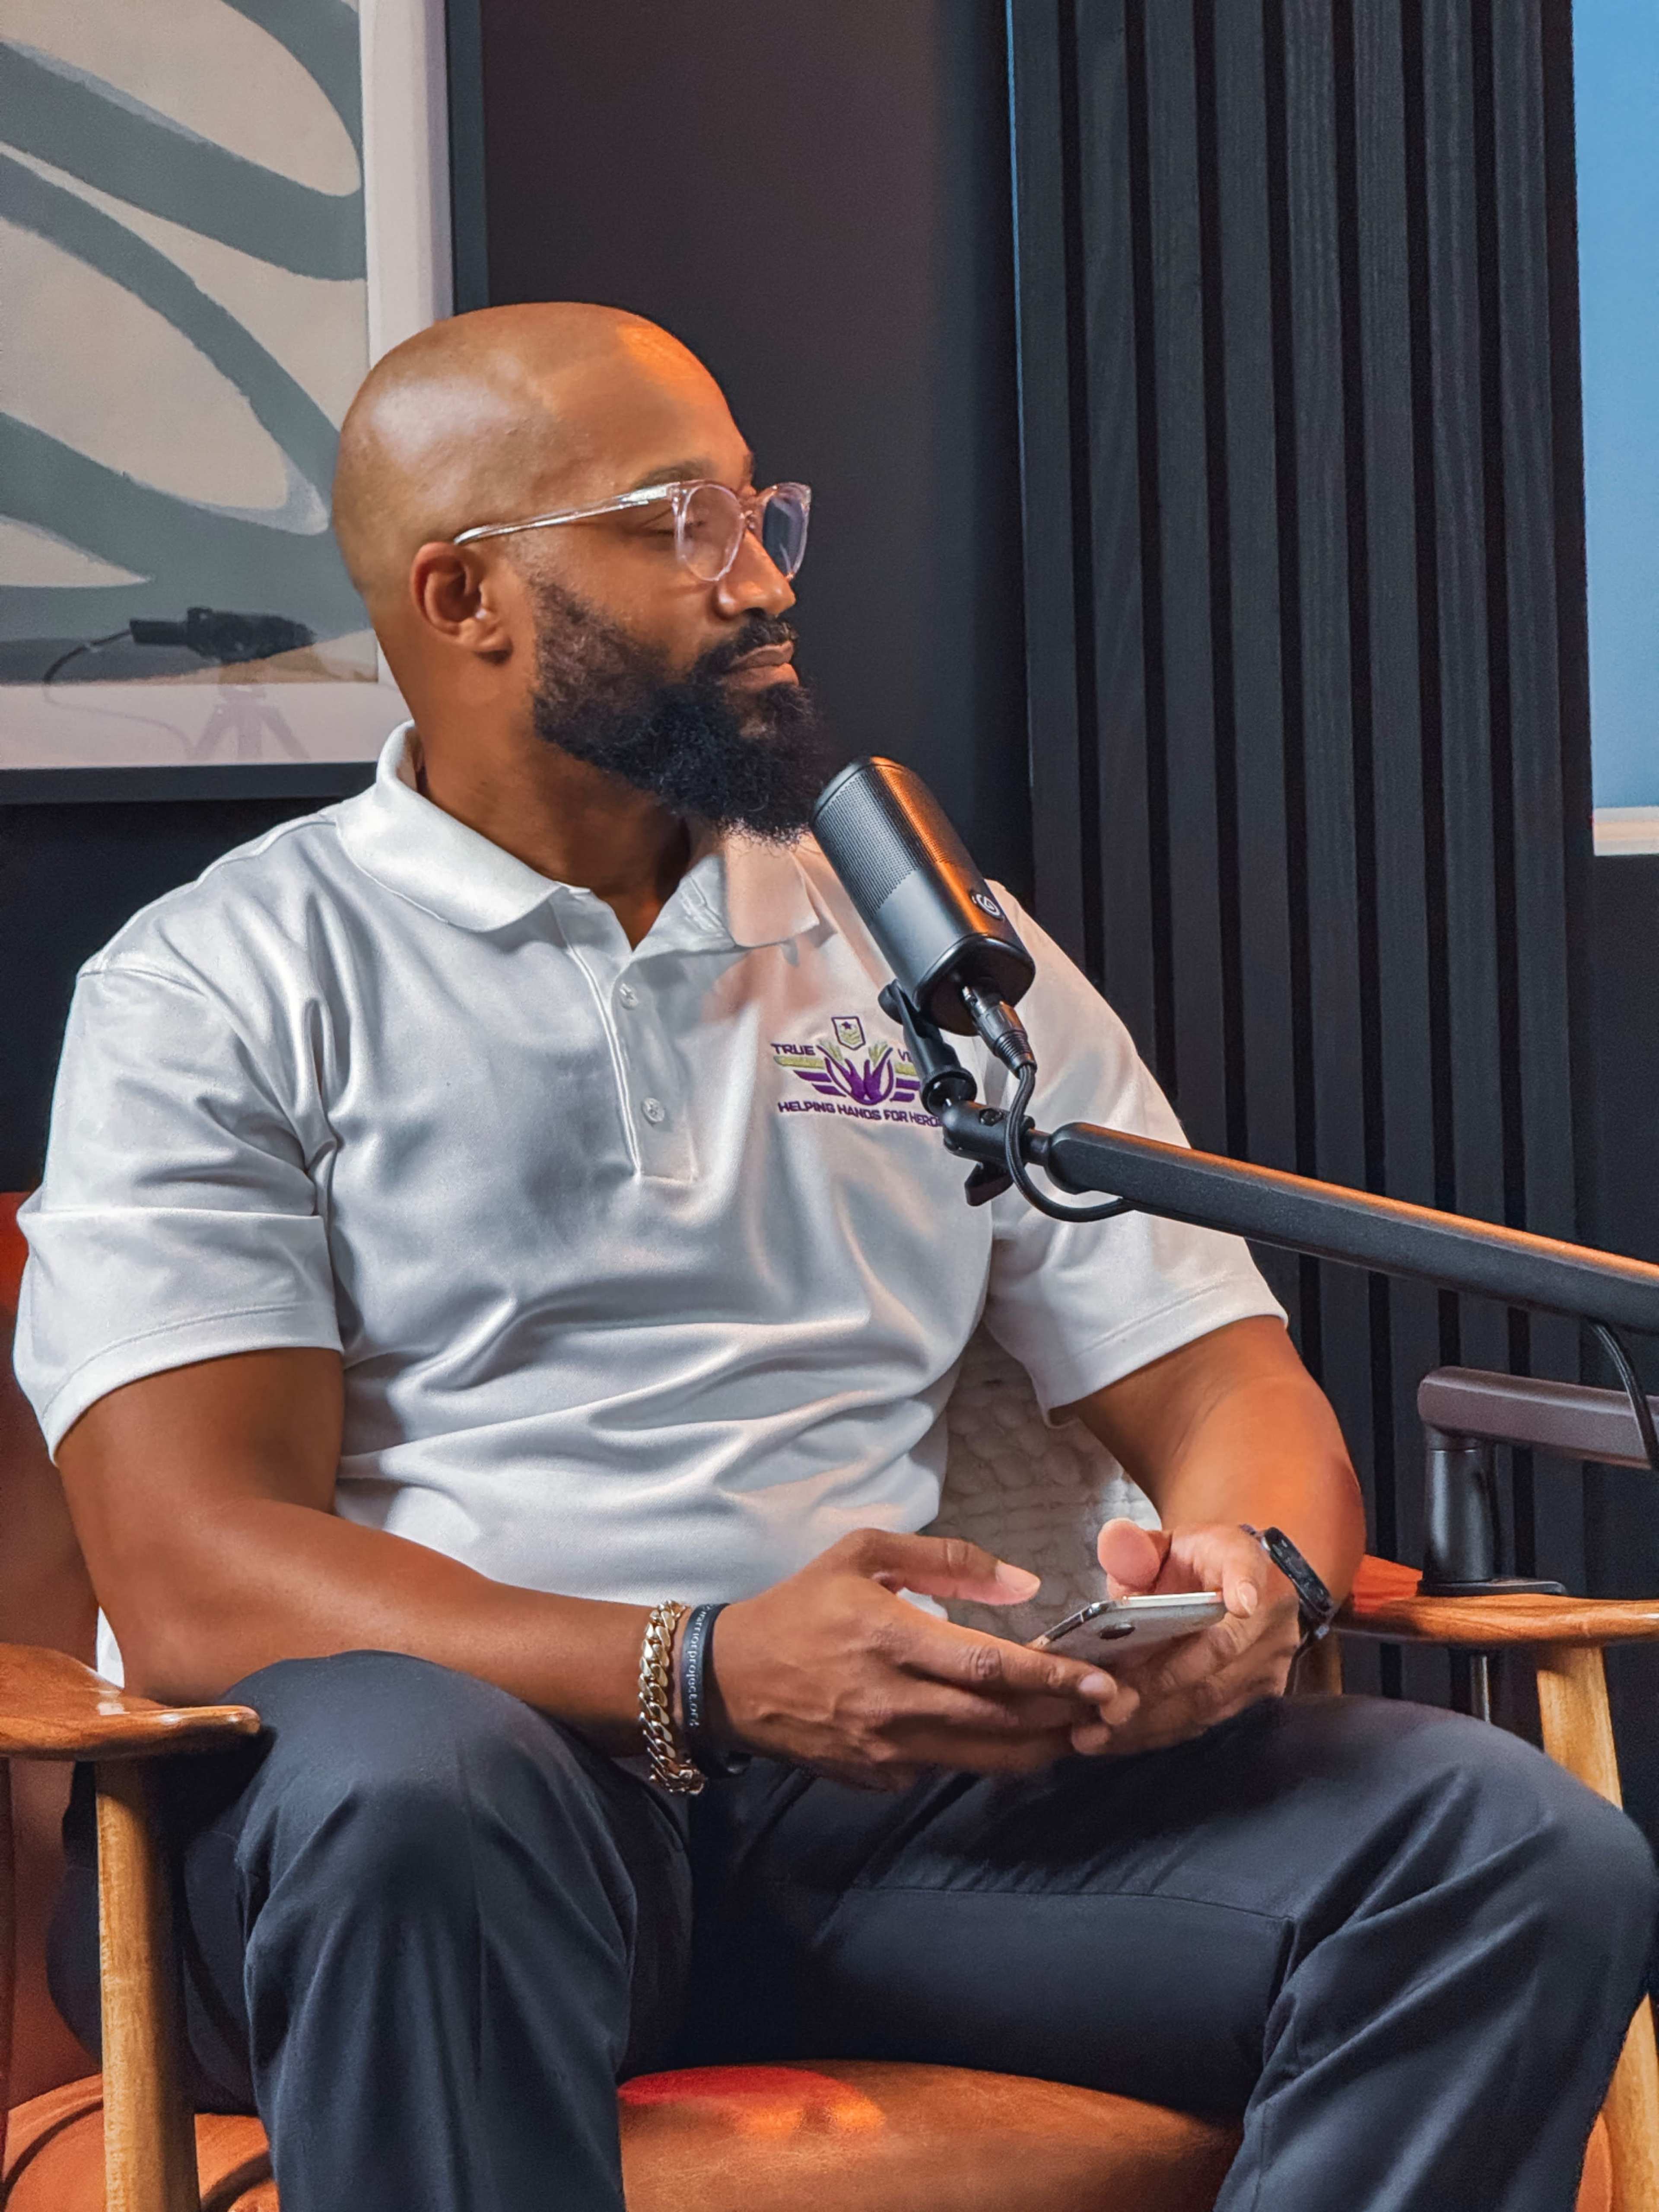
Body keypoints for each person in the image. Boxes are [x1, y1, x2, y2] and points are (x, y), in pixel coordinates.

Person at [15, 304, 1652, 2212]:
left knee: (1509, 1850)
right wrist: (698, 1668)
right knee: (415, 1787)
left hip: (878, 1809)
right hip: (429, 1820)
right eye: (676, 521)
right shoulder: (222, 983)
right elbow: (197, 1566)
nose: (760, 575)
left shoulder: (916, 944)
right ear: (467, 595)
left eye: (761, 509)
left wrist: (1248, 1579)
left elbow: (1221, 1372)